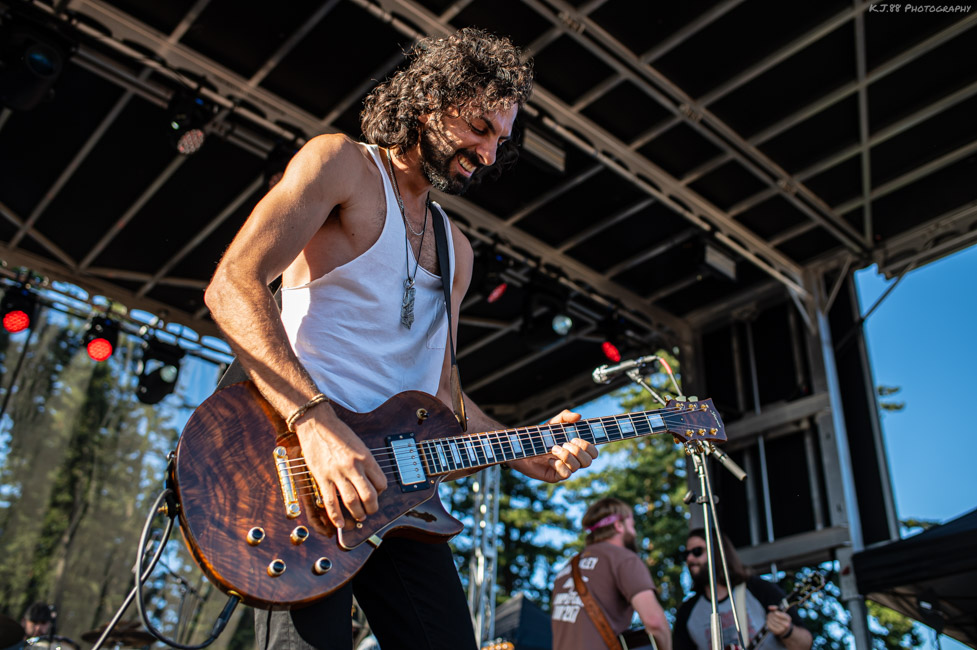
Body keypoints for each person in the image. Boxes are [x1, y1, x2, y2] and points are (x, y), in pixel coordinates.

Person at [204, 27, 598, 650]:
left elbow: (445, 399)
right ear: (431, 101)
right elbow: (231, 284)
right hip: (304, 476)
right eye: (479, 128)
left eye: (501, 139)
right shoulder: (342, 164)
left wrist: (529, 450)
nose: (490, 155)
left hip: (401, 498)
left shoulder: (457, 250)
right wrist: (317, 425)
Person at [551, 497, 671, 650]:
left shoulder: (565, 569)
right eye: (632, 525)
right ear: (619, 525)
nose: (634, 533)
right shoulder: (624, 559)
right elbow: (655, 623)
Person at [673, 528, 813, 650]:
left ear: (718, 552)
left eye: (697, 551)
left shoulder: (758, 588)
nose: (690, 559)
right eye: (686, 554)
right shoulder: (687, 612)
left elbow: (805, 645)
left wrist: (787, 631)